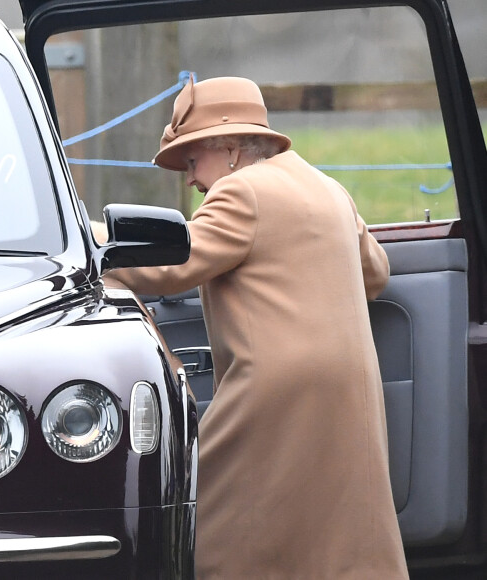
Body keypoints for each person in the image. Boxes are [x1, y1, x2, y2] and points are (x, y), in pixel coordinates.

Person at [93, 76, 408, 579]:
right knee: (339, 539)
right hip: (348, 391)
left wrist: (83, 241)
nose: (191, 178)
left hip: (276, 394)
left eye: (193, 160)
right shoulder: (327, 188)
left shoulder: (241, 191)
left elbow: (174, 265)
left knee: (215, 519)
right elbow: (376, 272)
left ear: (231, 148)